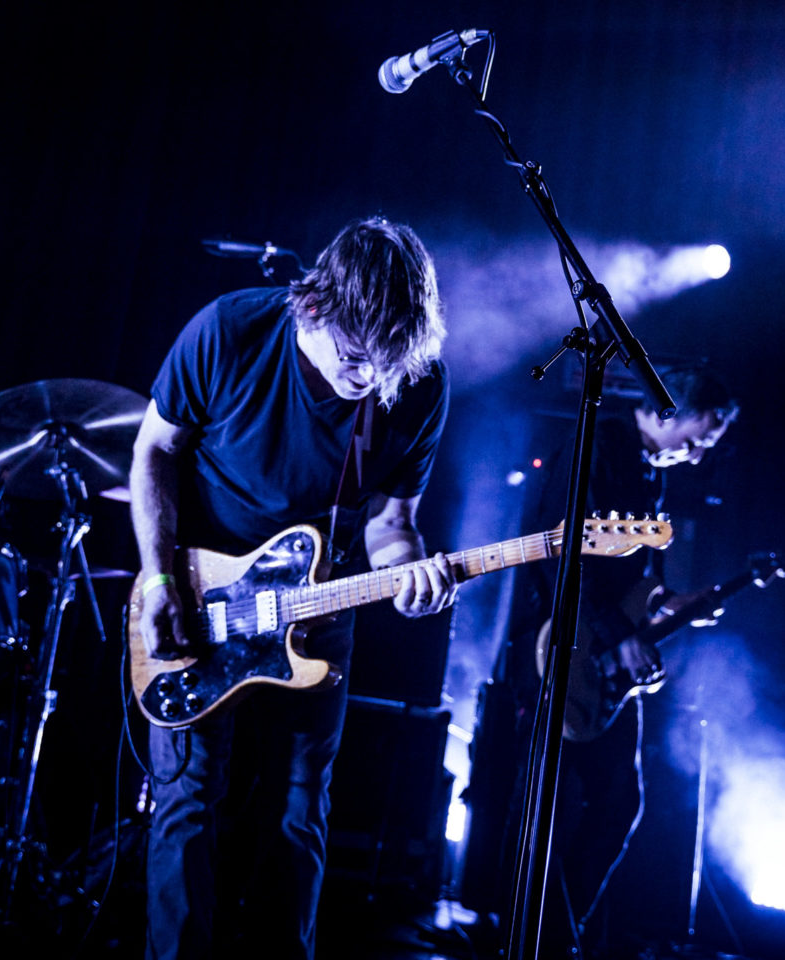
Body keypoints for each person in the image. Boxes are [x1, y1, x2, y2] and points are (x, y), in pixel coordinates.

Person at [129, 217, 457, 959]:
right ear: (312, 307)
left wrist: (409, 570)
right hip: (199, 588)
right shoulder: (229, 331)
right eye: (354, 356)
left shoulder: (419, 383)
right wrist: (158, 580)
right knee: (188, 800)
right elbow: (155, 448)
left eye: (390, 363)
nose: (371, 377)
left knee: (301, 808)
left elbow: (392, 523)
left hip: (317, 604)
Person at [463, 365, 739, 955]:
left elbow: (635, 572)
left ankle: (558, 937)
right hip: (558, 647)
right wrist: (619, 632)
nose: (698, 452)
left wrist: (668, 603)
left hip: (604, 662)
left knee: (619, 799)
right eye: (699, 434)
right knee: (543, 799)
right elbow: (560, 547)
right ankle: (520, 938)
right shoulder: (599, 444)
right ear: (672, 408)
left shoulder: (649, 474)